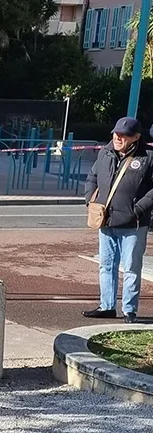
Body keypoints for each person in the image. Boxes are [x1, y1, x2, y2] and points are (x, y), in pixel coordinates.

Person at [83, 116, 152, 324]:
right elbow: (92, 177)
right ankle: (107, 306)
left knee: (131, 267)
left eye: (124, 135)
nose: (118, 138)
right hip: (106, 220)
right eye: (116, 134)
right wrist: (90, 200)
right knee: (106, 265)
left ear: (136, 137)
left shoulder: (148, 157)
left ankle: (129, 310)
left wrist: (137, 210)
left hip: (134, 224)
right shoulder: (105, 153)